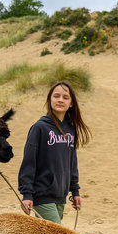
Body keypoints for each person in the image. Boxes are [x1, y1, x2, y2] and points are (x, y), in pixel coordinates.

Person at [18, 80, 91, 224]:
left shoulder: (70, 129)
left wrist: (75, 191)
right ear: (49, 100)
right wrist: (27, 194)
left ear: (71, 103)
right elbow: (29, 162)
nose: (60, 100)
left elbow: (72, 162)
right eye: (56, 96)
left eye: (65, 97)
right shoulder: (40, 127)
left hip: (60, 196)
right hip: (42, 195)